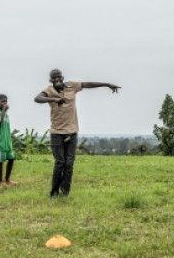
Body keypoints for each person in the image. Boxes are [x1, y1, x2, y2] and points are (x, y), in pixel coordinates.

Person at [34, 69, 120, 198]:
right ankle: (54, 192)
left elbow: (87, 84)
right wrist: (54, 100)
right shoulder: (49, 90)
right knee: (59, 162)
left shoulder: (72, 86)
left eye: (59, 78)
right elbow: (37, 98)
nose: (57, 80)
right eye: (54, 78)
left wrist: (107, 84)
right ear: (51, 80)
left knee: (69, 163)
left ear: (62, 78)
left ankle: (65, 193)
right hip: (57, 133)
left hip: (72, 132)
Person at [0, 94, 18, 186]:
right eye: (2, 101)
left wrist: (4, 111)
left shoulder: (6, 114)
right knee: (0, 161)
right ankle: (0, 182)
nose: (4, 103)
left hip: (7, 142)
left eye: (6, 101)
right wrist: (3, 110)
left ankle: (7, 179)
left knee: (11, 159)